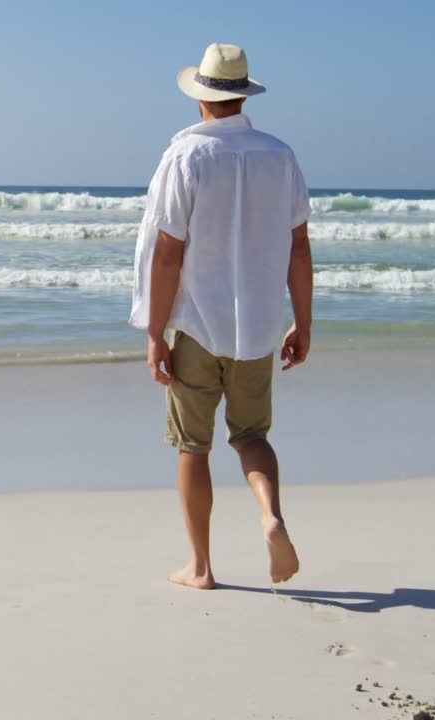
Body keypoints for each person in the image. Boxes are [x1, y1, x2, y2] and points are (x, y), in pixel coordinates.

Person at [129, 42, 312, 590]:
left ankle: (201, 567)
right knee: (252, 435)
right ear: (242, 95)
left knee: (192, 446)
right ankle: (271, 515)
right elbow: (298, 248)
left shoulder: (186, 157)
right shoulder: (279, 156)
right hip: (257, 327)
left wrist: (156, 331)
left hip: (196, 325)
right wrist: (303, 322)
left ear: (201, 98)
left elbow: (167, 252)